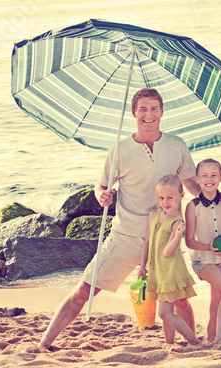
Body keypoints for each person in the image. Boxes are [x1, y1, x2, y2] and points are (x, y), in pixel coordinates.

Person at [39, 88, 200, 349]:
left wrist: (218, 202)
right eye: (143, 109)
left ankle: (194, 347)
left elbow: (191, 184)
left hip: (164, 239)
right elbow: (101, 185)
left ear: (162, 112)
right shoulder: (120, 149)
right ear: (134, 113)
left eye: (154, 109)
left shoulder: (177, 146)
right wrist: (102, 195)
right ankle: (43, 343)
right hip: (125, 236)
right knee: (85, 290)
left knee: (179, 299)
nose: (149, 114)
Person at [137, 174, 200, 344]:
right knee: (168, 309)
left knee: (164, 312)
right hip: (158, 270)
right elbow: (148, 241)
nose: (165, 202)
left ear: (181, 196)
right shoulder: (155, 215)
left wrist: (178, 235)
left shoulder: (177, 222)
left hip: (170, 270)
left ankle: (193, 340)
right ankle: (169, 343)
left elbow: (167, 252)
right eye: (161, 198)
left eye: (170, 198)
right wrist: (142, 266)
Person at [184, 159, 221, 344]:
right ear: (197, 179)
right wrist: (207, 247)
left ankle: (211, 338)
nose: (209, 179)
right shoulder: (193, 206)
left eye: (214, 175)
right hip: (203, 261)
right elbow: (189, 241)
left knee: (216, 305)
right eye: (204, 175)